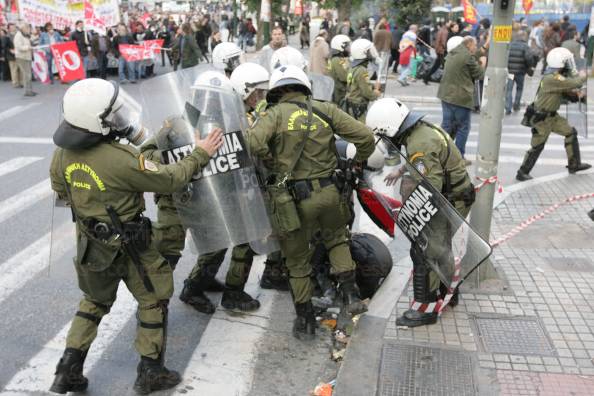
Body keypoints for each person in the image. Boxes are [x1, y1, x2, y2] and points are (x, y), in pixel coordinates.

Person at [48, 78, 224, 394]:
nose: (118, 120)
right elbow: (171, 179)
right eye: (110, 116)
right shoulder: (120, 158)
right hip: (131, 247)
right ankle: (151, 371)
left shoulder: (62, 155)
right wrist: (201, 153)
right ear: (94, 121)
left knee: (93, 302)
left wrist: (96, 203)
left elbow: (62, 192)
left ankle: (67, 371)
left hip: (90, 245)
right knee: (153, 298)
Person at [246, 65, 375, 339]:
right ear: (304, 86)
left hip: (293, 200)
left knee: (296, 260)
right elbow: (365, 137)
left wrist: (273, 162)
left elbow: (253, 144)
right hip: (330, 192)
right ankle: (351, 295)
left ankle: (304, 320)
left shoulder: (274, 114)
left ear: (276, 91)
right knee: (337, 239)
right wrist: (358, 161)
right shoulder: (324, 109)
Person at [366, 97, 475, 327]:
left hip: (450, 199)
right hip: (455, 195)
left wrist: (410, 209)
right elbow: (426, 161)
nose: (386, 141)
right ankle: (449, 292)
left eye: (384, 136)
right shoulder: (421, 132)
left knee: (427, 251)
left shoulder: (419, 143)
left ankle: (426, 309)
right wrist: (403, 171)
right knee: (440, 246)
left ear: (391, 128)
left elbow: (429, 186)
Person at [516, 47, 591, 181]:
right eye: (567, 62)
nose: (569, 65)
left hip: (552, 116)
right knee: (537, 146)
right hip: (542, 118)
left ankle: (574, 164)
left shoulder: (555, 76)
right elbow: (573, 82)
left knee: (570, 132)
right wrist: (585, 75)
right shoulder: (552, 78)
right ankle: (522, 172)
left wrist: (576, 95)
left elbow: (564, 92)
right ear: (559, 62)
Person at [437, 36, 486, 163]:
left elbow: (470, 58)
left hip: (446, 95)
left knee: (447, 126)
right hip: (460, 98)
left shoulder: (454, 53)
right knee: (463, 128)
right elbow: (480, 74)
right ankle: (459, 158)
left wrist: (483, 49)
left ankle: (440, 153)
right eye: (474, 46)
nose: (475, 48)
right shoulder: (467, 57)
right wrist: (483, 63)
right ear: (469, 44)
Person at [344, 38, 381, 121]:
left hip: (351, 104)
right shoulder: (362, 70)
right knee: (362, 131)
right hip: (358, 107)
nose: (371, 53)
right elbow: (367, 93)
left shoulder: (353, 67)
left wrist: (371, 85)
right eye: (369, 51)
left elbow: (357, 84)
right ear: (363, 53)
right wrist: (376, 92)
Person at [505, 30, 536, 115]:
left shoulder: (510, 45)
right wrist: (530, 66)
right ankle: (516, 105)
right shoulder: (525, 46)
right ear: (524, 37)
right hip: (520, 71)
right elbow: (528, 58)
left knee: (509, 89)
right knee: (519, 88)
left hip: (510, 71)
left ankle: (508, 107)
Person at [327, 34, 351, 105]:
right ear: (341, 47)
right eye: (347, 46)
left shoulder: (335, 58)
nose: (349, 49)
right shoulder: (337, 60)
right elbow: (344, 77)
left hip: (336, 90)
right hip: (339, 92)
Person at [13, 23, 35, 97]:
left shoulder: (24, 35)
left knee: (28, 74)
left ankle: (30, 90)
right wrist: (28, 47)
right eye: (27, 28)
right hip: (22, 57)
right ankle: (27, 91)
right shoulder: (18, 35)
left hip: (27, 57)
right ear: (23, 28)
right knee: (27, 75)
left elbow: (31, 40)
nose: (28, 30)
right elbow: (19, 47)